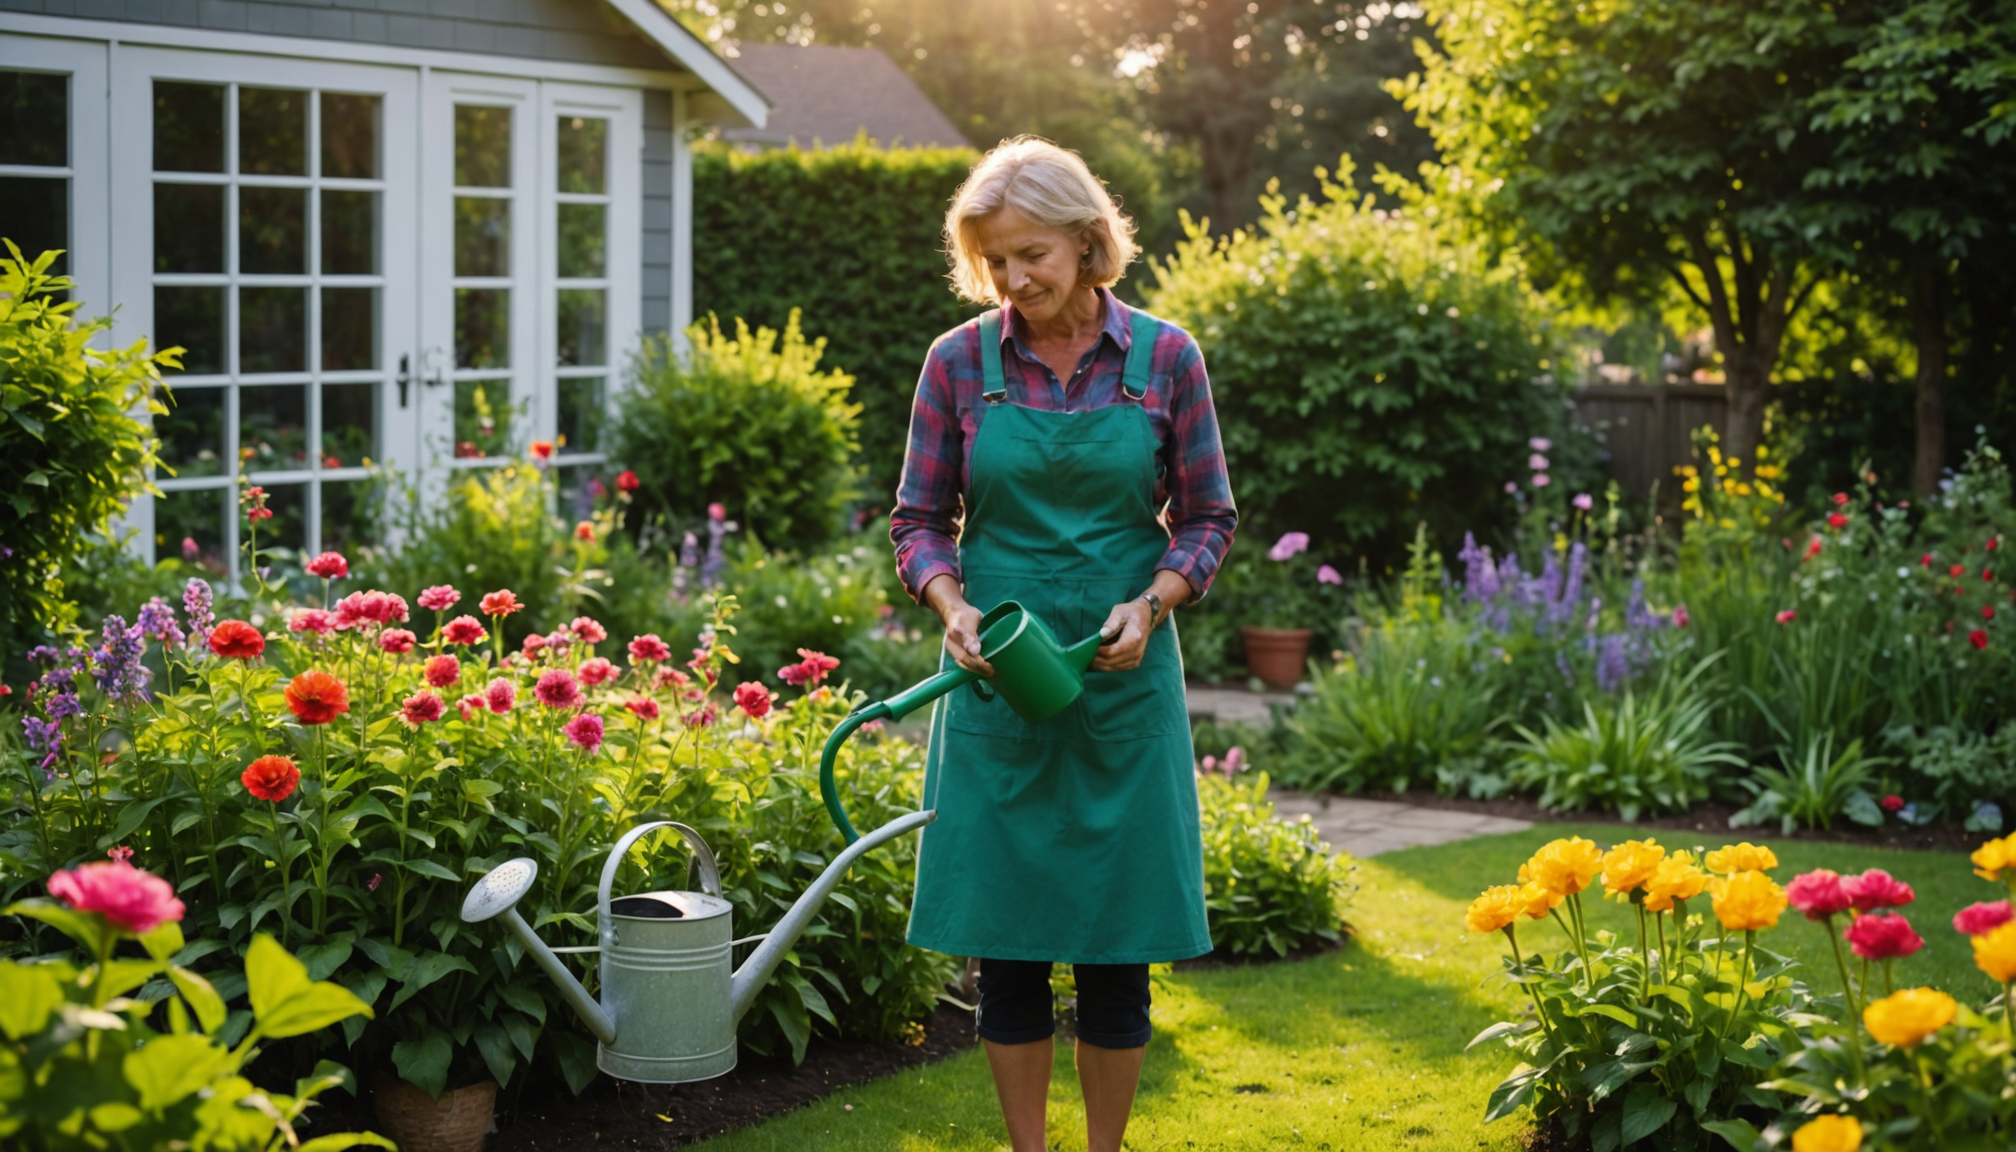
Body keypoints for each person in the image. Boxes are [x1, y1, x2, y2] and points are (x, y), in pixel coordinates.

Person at [890, 136, 1237, 1152]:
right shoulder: (958, 363)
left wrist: (1157, 599)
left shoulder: (1166, 357)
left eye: (1032, 252)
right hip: (1001, 684)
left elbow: (1209, 515)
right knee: (1008, 953)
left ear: (1089, 243)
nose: (1014, 277)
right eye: (996, 259)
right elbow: (917, 519)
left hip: (1123, 683)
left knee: (1116, 952)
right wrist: (951, 606)